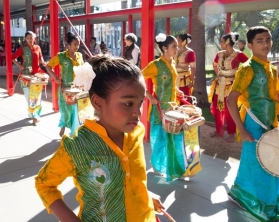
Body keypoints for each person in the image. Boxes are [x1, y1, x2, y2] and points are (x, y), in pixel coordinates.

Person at [35, 56, 164, 222]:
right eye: (128, 103)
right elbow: (43, 183)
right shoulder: (78, 146)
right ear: (98, 102)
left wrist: (143, 195)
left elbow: (131, 177)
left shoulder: (137, 132)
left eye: (140, 102)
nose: (138, 112)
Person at [226, 26, 279, 222]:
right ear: (249, 45)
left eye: (268, 40)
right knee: (263, 166)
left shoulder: (271, 68)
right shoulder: (247, 68)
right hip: (254, 125)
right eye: (259, 41)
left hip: (270, 123)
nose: (265, 44)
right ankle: (262, 207)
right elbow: (231, 100)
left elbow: (273, 98)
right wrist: (242, 129)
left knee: (266, 164)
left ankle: (242, 195)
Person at [142, 33, 188, 181]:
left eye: (176, 46)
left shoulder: (172, 63)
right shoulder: (155, 65)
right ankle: (156, 166)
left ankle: (175, 168)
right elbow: (138, 78)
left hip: (172, 106)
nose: (177, 49)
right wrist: (149, 96)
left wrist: (177, 91)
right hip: (160, 107)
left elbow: (172, 83)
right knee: (160, 138)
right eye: (174, 46)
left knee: (173, 138)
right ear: (164, 48)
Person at [208, 33, 248, 142]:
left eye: (221, 41)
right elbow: (215, 65)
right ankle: (218, 129)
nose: (220, 43)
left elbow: (248, 66)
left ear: (227, 42)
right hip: (220, 84)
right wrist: (219, 74)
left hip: (231, 85)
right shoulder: (219, 54)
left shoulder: (238, 54)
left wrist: (240, 79)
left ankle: (232, 133)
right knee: (217, 107)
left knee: (230, 110)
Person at [46, 32, 84, 137]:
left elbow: (83, 70)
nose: (77, 47)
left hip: (77, 89)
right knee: (65, 110)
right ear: (69, 45)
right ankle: (63, 125)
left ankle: (74, 132)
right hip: (65, 88)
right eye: (75, 44)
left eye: (78, 44)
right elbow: (48, 66)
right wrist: (56, 78)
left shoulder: (80, 56)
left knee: (76, 110)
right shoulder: (61, 56)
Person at [12, 31, 46, 125]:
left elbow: (41, 58)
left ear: (34, 38)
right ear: (25, 39)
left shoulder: (38, 47)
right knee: (28, 97)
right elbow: (12, 57)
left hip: (37, 76)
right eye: (28, 38)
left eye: (32, 38)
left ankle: (35, 116)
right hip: (26, 76)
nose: (30, 40)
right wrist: (19, 66)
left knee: (36, 96)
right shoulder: (22, 48)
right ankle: (31, 113)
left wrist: (43, 62)